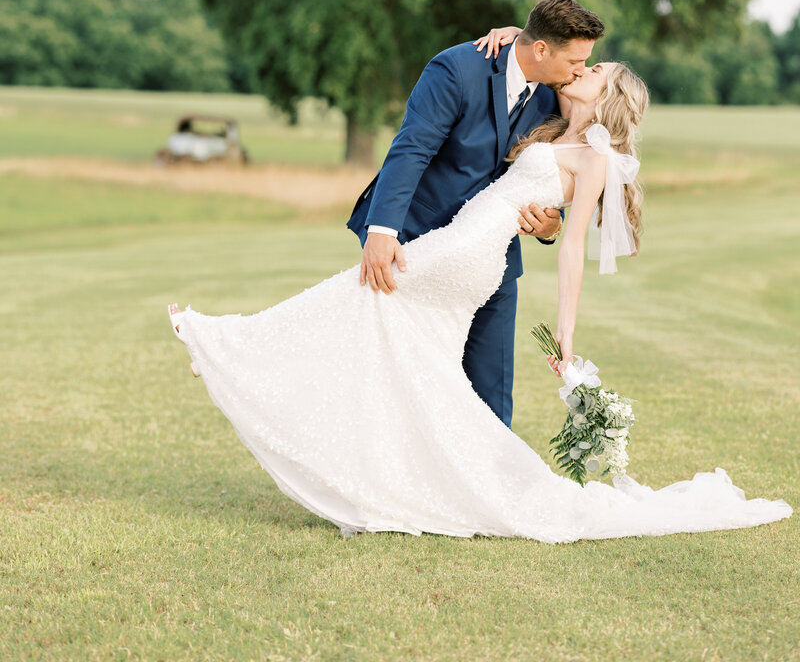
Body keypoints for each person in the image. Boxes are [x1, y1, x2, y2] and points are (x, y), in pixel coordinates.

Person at [167, 57, 792, 541]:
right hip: (464, 241)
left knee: (362, 298)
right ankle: (388, 485)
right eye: (581, 62)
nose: (582, 69)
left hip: (471, 253)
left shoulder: (596, 153)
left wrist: (568, 334)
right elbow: (524, 61)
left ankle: (230, 346)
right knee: (413, 365)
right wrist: (501, 35)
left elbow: (572, 244)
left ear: (607, 96)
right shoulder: (548, 111)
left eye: (594, 70)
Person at [347, 0, 606, 425]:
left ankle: (491, 491)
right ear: (540, 50)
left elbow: (560, 168)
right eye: (576, 61)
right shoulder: (456, 69)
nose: (580, 69)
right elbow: (411, 148)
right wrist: (382, 230)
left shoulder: (556, 95)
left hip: (496, 260)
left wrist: (549, 225)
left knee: (491, 392)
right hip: (418, 240)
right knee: (404, 377)